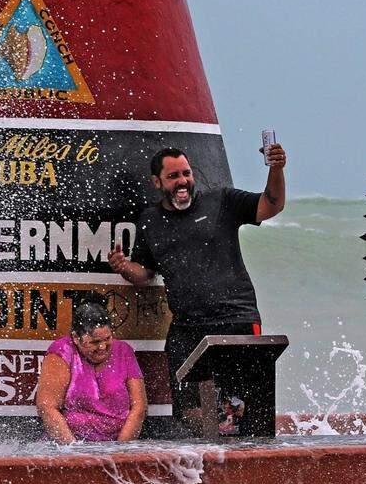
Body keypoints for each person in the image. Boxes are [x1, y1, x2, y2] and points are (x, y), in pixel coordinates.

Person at [107, 142, 287, 429]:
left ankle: (245, 461)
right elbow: (146, 272)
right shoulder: (150, 220)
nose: (182, 181)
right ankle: (201, 463)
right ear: (157, 182)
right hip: (186, 327)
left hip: (235, 320)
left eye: (186, 173)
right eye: (173, 176)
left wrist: (276, 169)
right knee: (189, 412)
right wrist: (124, 267)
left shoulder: (222, 201)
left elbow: (271, 205)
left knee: (238, 409)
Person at [35, 302, 147, 443]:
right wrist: (73, 451)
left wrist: (119, 452)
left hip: (118, 446)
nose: (102, 347)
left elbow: (139, 408)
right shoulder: (62, 350)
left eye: (107, 339)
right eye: (95, 342)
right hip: (70, 446)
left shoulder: (124, 351)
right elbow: (47, 407)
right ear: (76, 338)